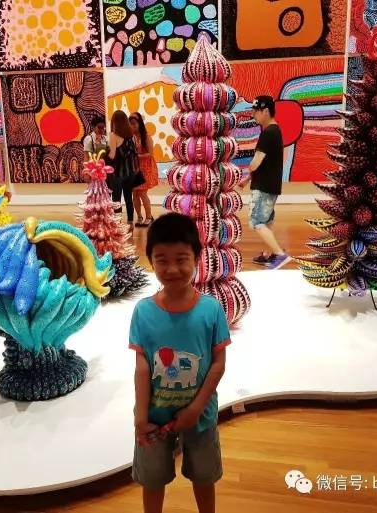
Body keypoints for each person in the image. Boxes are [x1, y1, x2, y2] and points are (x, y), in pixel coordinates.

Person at [130, 213, 230, 513]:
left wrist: (196, 408)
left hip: (201, 415)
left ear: (197, 258)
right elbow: (142, 367)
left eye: (181, 259)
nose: (172, 269)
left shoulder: (211, 310)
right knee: (152, 478)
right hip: (154, 416)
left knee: (204, 476)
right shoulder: (143, 311)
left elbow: (218, 363)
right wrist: (141, 416)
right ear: (150, 261)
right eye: (162, 260)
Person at [239, 95, 290, 269]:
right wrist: (247, 179)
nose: (253, 114)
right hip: (271, 185)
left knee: (257, 222)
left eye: (256, 111)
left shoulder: (268, 133)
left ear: (266, 111)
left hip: (263, 187)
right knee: (267, 221)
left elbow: (256, 163)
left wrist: (247, 172)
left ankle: (280, 254)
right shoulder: (275, 131)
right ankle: (268, 254)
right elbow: (264, 163)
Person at [108, 110, 139, 228]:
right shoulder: (132, 136)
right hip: (130, 172)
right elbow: (134, 154)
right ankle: (130, 222)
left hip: (118, 173)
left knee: (116, 199)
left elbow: (112, 155)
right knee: (128, 198)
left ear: (115, 122)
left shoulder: (113, 136)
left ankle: (117, 224)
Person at [130, 112, 157, 227]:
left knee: (142, 193)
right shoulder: (131, 138)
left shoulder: (146, 137)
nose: (132, 126)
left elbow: (150, 154)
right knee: (135, 194)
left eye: (134, 123)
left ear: (140, 123)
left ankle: (149, 217)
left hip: (146, 168)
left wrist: (136, 156)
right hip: (134, 168)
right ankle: (140, 217)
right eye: (130, 124)